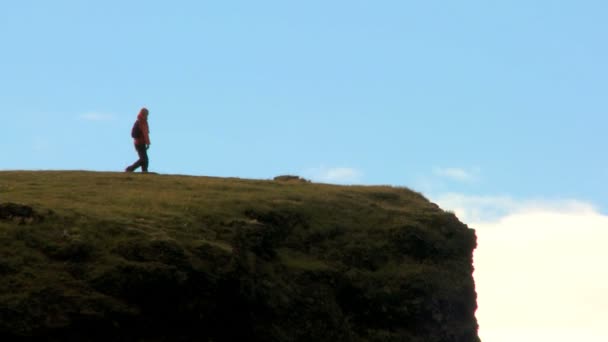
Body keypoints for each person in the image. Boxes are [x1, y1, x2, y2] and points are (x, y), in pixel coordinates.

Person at [125, 107, 151, 173]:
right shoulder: (140, 122)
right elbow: (143, 133)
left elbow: (146, 134)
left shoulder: (142, 122)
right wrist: (147, 142)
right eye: (146, 114)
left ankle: (144, 172)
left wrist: (147, 142)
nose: (147, 115)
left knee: (145, 159)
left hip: (140, 143)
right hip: (139, 143)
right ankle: (130, 169)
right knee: (143, 159)